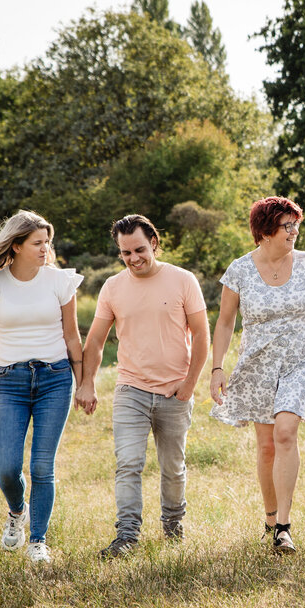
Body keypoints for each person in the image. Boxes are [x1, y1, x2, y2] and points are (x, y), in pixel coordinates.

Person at [0, 211, 84, 564]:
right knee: (7, 469)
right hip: (10, 382)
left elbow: (72, 335)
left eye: (47, 242)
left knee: (42, 466)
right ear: (17, 245)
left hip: (55, 379)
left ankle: (38, 540)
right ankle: (16, 511)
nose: (46, 249)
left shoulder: (60, 282)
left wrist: (85, 382)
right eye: (38, 243)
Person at [76, 214, 209, 559]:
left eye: (139, 249)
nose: (133, 258)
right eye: (125, 253)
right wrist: (87, 383)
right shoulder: (113, 287)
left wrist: (189, 385)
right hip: (130, 390)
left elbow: (202, 335)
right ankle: (127, 535)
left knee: (173, 467)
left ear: (154, 243)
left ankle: (173, 526)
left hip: (174, 392)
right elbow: (95, 341)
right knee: (128, 463)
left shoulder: (183, 280)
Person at [210, 197, 305, 554]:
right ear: (264, 233)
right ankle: (269, 517)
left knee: (285, 433)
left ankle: (284, 527)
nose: (294, 232)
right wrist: (217, 367)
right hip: (258, 362)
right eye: (287, 226)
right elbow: (225, 321)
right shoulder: (240, 270)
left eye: (296, 225)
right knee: (265, 448)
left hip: (299, 360)